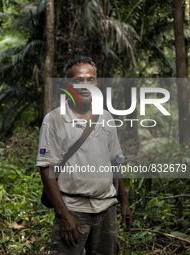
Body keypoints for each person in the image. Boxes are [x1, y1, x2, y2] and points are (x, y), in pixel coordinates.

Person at [36, 56, 133, 255]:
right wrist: (64, 215)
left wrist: (124, 202)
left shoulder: (106, 117)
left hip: (106, 207)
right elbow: (46, 169)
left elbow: (115, 161)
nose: (85, 85)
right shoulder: (54, 120)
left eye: (91, 79)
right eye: (78, 80)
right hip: (73, 208)